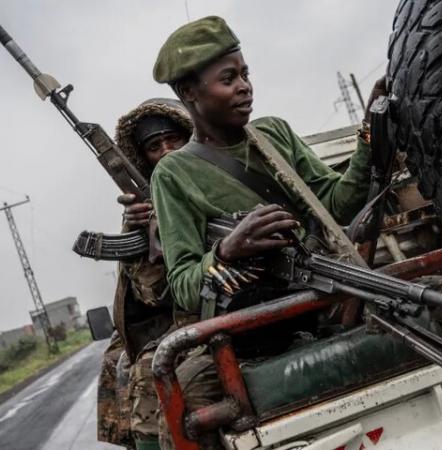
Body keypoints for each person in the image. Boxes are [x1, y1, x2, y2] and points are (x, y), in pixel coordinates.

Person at [150, 16, 386, 449]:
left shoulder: (273, 133)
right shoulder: (173, 173)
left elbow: (335, 203)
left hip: (321, 295)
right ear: (188, 94)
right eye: (228, 78)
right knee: (186, 407)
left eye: (245, 74)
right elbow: (183, 283)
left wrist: (370, 133)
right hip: (251, 328)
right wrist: (226, 251)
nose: (244, 86)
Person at [96, 97, 193, 450]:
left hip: (205, 306)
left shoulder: (216, 172)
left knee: (148, 370)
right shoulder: (146, 206)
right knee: (117, 359)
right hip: (173, 309)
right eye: (155, 146)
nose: (167, 151)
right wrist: (138, 231)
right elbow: (153, 294)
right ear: (144, 159)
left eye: (174, 139)